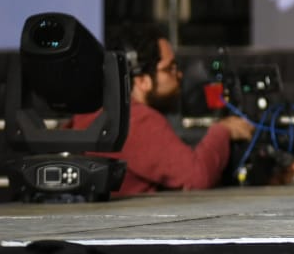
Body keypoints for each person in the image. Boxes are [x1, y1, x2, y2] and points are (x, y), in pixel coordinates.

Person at [67, 23, 266, 197]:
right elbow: (197, 177)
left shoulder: (90, 113)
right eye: (169, 68)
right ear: (142, 80)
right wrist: (223, 130)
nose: (179, 75)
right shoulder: (137, 119)